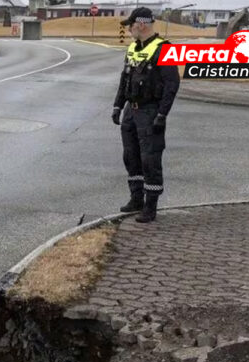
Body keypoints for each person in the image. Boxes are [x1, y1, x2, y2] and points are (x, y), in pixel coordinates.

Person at [112, 7, 180, 223]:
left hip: (150, 111)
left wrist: (162, 114)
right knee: (130, 156)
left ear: (141, 24)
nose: (129, 29)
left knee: (150, 159)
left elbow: (172, 84)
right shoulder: (133, 48)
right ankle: (136, 199)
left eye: (131, 25)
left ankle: (150, 206)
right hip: (131, 111)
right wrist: (117, 105)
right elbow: (125, 79)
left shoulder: (164, 50)